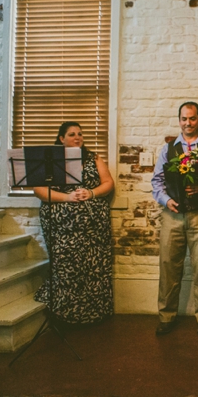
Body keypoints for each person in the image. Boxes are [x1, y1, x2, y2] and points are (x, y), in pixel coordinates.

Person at [151, 101, 198, 335]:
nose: (188, 123)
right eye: (184, 119)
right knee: (168, 266)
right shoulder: (169, 148)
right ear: (179, 121)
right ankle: (166, 316)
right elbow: (156, 181)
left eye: (192, 118)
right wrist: (166, 200)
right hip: (172, 215)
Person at [33, 121, 114, 324]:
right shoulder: (51, 160)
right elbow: (39, 190)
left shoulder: (93, 158)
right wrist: (67, 198)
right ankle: (66, 313)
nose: (77, 137)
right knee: (66, 265)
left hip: (93, 226)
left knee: (94, 267)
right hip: (61, 224)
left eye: (79, 134)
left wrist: (91, 192)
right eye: (71, 134)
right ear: (61, 139)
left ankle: (95, 313)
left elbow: (108, 182)